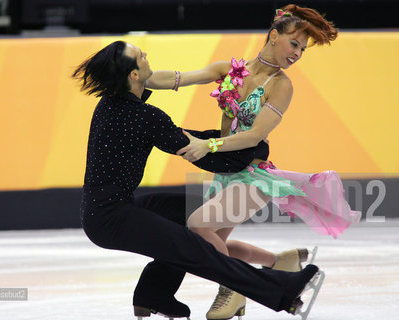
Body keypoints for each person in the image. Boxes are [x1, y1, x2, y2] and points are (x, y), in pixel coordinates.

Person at [75, 40, 321, 319]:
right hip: (110, 218)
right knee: (194, 249)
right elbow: (203, 154)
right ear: (133, 75)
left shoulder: (113, 105)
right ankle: (281, 291)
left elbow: (185, 136)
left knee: (190, 215)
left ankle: (154, 293)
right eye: (140, 57)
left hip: (110, 208)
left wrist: (238, 144)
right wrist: (254, 149)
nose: (146, 56)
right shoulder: (142, 116)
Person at [146, 4, 360, 320]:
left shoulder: (281, 85)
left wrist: (209, 145)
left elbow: (254, 136)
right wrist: (140, 80)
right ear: (274, 36)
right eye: (294, 43)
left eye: (302, 49)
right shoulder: (231, 71)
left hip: (253, 176)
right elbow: (181, 78)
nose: (298, 53)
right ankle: (279, 262)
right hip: (226, 174)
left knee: (198, 225)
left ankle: (232, 290)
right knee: (209, 243)